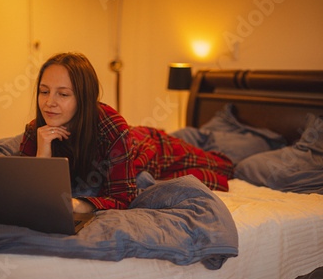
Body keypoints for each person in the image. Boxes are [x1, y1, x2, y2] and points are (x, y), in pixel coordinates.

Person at [19, 52, 233, 213]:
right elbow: (32, 194)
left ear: (84, 98)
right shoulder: (37, 129)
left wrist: (76, 205)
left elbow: (122, 199)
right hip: (130, 143)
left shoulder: (111, 129)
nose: (49, 103)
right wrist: (43, 152)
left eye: (63, 94)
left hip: (149, 147)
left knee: (223, 168)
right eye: (44, 91)